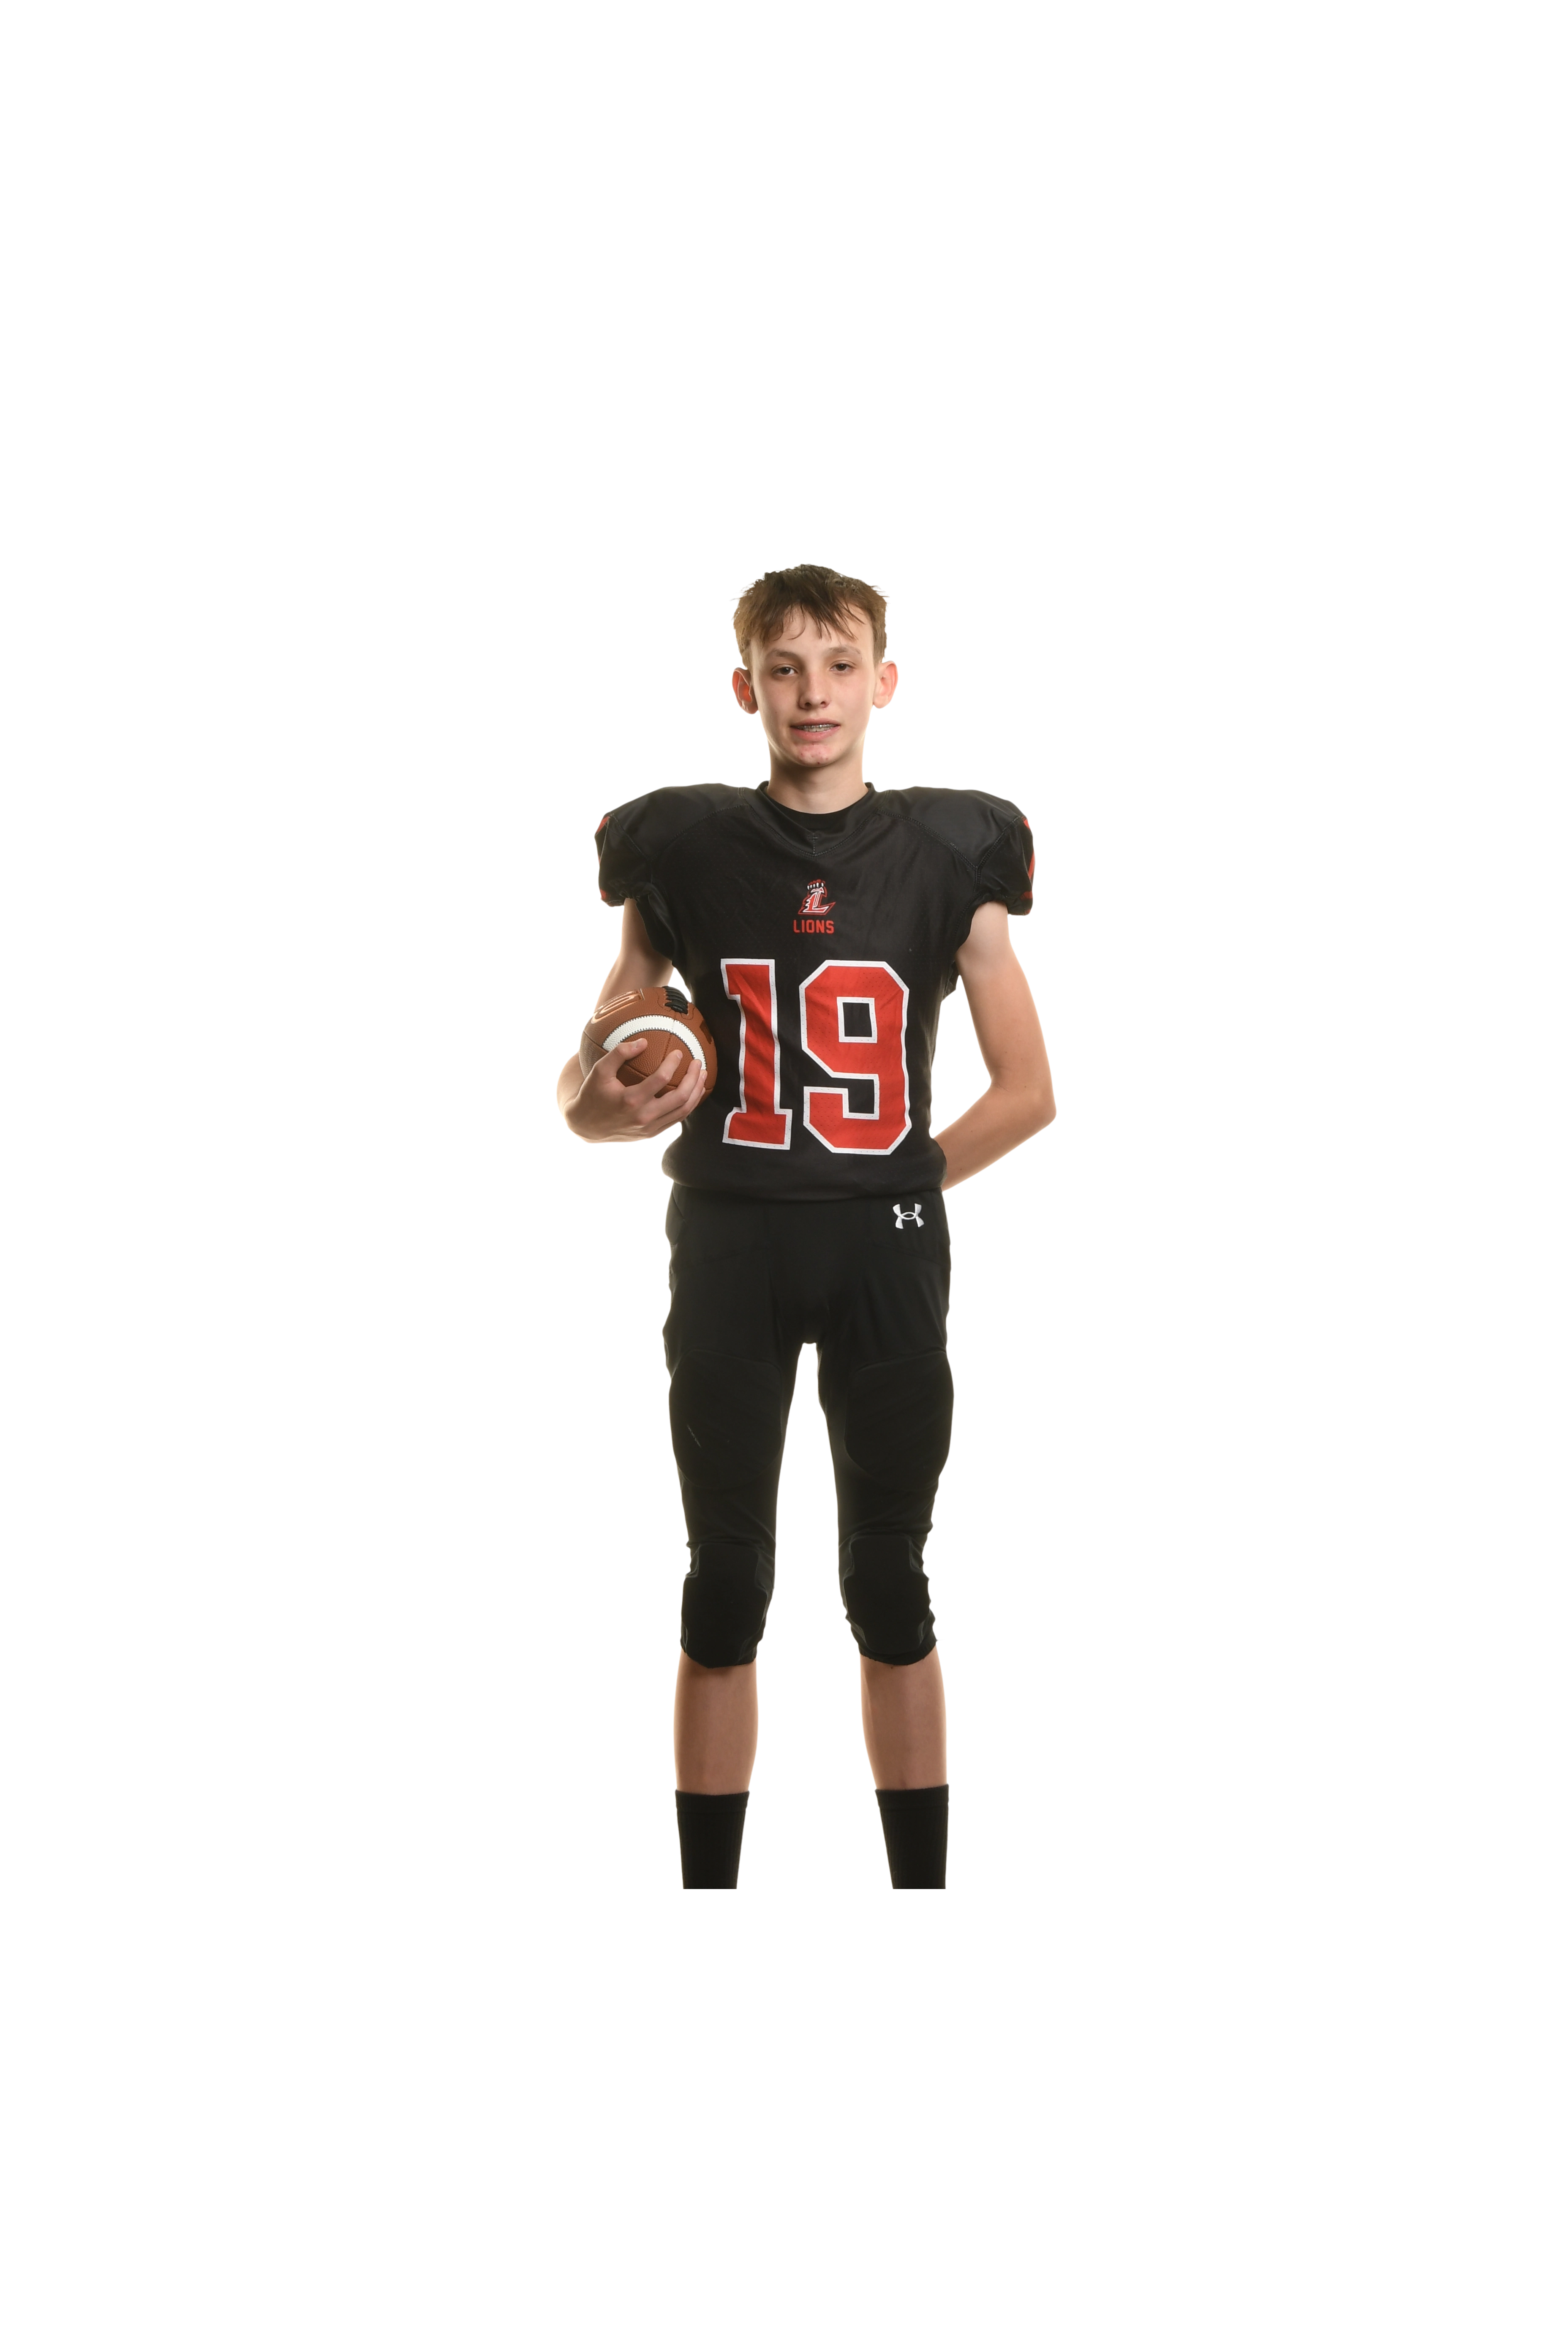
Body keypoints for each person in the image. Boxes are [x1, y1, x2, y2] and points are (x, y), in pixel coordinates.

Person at [555, 563, 1056, 1888]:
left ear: (883, 682)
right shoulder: (682, 847)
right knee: (725, 1584)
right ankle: (706, 1905)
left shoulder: (948, 848)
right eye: (784, 669)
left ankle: (922, 1902)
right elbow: (594, 1063)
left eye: (839, 666)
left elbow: (1030, 1092)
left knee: (889, 1582)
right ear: (748, 689)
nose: (813, 693)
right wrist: (599, 1100)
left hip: (888, 1248)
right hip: (729, 1241)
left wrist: (893, 1182)